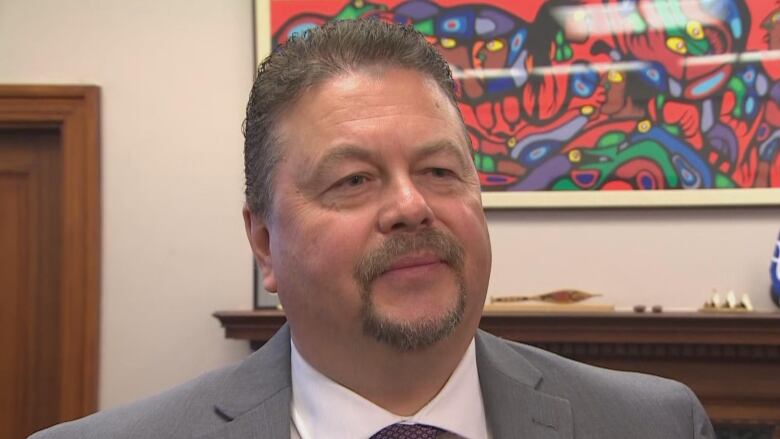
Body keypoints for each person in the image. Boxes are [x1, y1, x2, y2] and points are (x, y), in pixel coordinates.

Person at [31, 19, 714, 439]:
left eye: (441, 171)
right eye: (354, 180)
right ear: (265, 242)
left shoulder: (654, 424)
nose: (412, 205)